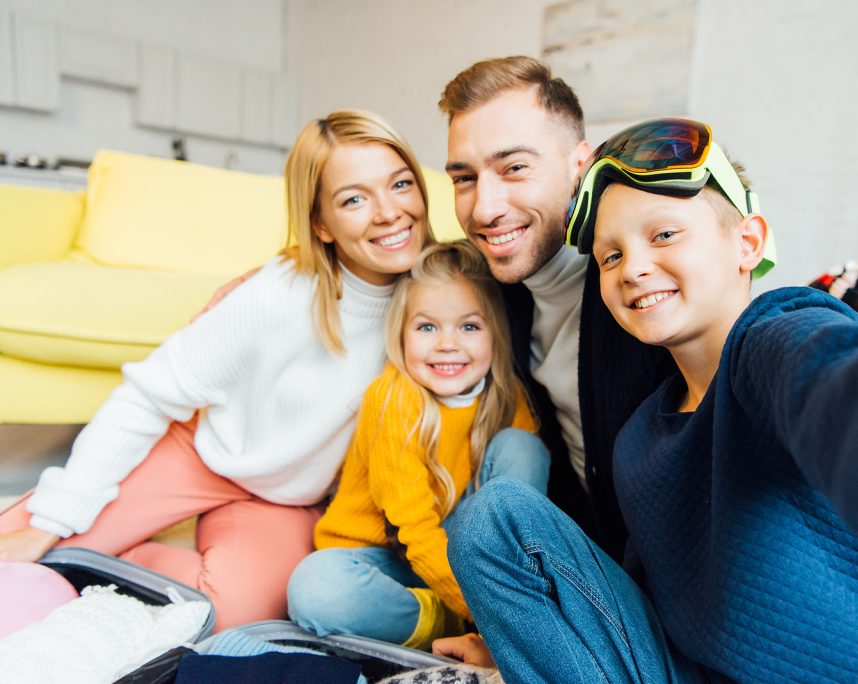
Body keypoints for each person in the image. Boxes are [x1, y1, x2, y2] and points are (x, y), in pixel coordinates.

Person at [439, 118, 858, 681]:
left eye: (664, 234)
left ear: (749, 242)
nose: (634, 267)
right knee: (492, 519)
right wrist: (546, 644)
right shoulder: (643, 437)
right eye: (611, 255)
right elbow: (646, 612)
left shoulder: (775, 338)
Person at [0, 109, 432, 631]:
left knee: (234, 614)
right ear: (321, 224)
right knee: (27, 547)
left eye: (401, 184)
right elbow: (147, 397)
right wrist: (53, 522)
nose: (390, 212)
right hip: (198, 453)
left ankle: (117, 561)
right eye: (354, 199)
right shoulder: (275, 295)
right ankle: (80, 545)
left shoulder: (438, 298)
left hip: (285, 498)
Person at [437, 56, 777, 561]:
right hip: (591, 560)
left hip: (683, 576)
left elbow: (769, 344)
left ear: (580, 167)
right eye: (464, 179)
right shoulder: (486, 290)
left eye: (514, 168)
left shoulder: (650, 290)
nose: (484, 208)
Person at [286, 241, 549, 650]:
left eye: (469, 326)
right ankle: (443, 622)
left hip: (469, 559)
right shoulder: (393, 399)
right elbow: (414, 532)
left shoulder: (505, 395)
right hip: (388, 559)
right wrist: (481, 615)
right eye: (427, 327)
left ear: (495, 332)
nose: (447, 343)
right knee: (315, 587)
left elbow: (518, 508)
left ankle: (511, 600)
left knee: (524, 447)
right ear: (401, 333)